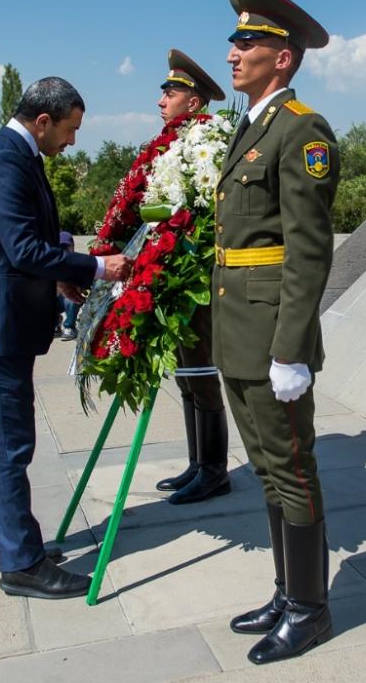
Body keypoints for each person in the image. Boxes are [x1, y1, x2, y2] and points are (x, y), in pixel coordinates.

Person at [0, 77, 130, 600]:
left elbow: (30, 240)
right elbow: (24, 249)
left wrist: (62, 273)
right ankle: (22, 563)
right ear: (42, 121)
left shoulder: (16, 156)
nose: (72, 140)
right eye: (69, 129)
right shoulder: (6, 162)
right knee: (9, 444)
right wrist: (96, 267)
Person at [211, 0, 339, 663]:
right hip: (239, 328)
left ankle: (312, 610)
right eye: (234, 41)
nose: (232, 53)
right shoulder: (253, 126)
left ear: (281, 57)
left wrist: (290, 349)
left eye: (247, 42)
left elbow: (308, 249)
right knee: (265, 466)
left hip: (271, 335)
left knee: (292, 468)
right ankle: (287, 589)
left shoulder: (301, 131)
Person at [150, 49, 234, 505]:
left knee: (201, 368)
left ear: (195, 102)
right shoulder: (170, 142)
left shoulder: (210, 138)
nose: (163, 100)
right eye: (163, 91)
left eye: (172, 91)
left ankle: (216, 470)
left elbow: (208, 204)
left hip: (198, 275)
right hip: (173, 271)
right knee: (185, 370)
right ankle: (197, 463)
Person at [55, 231, 80, 341]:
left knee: (71, 298)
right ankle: (55, 323)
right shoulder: (50, 264)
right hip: (55, 300)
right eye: (61, 247)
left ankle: (70, 327)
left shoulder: (78, 263)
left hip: (71, 299)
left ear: (72, 247)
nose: (64, 250)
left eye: (66, 247)